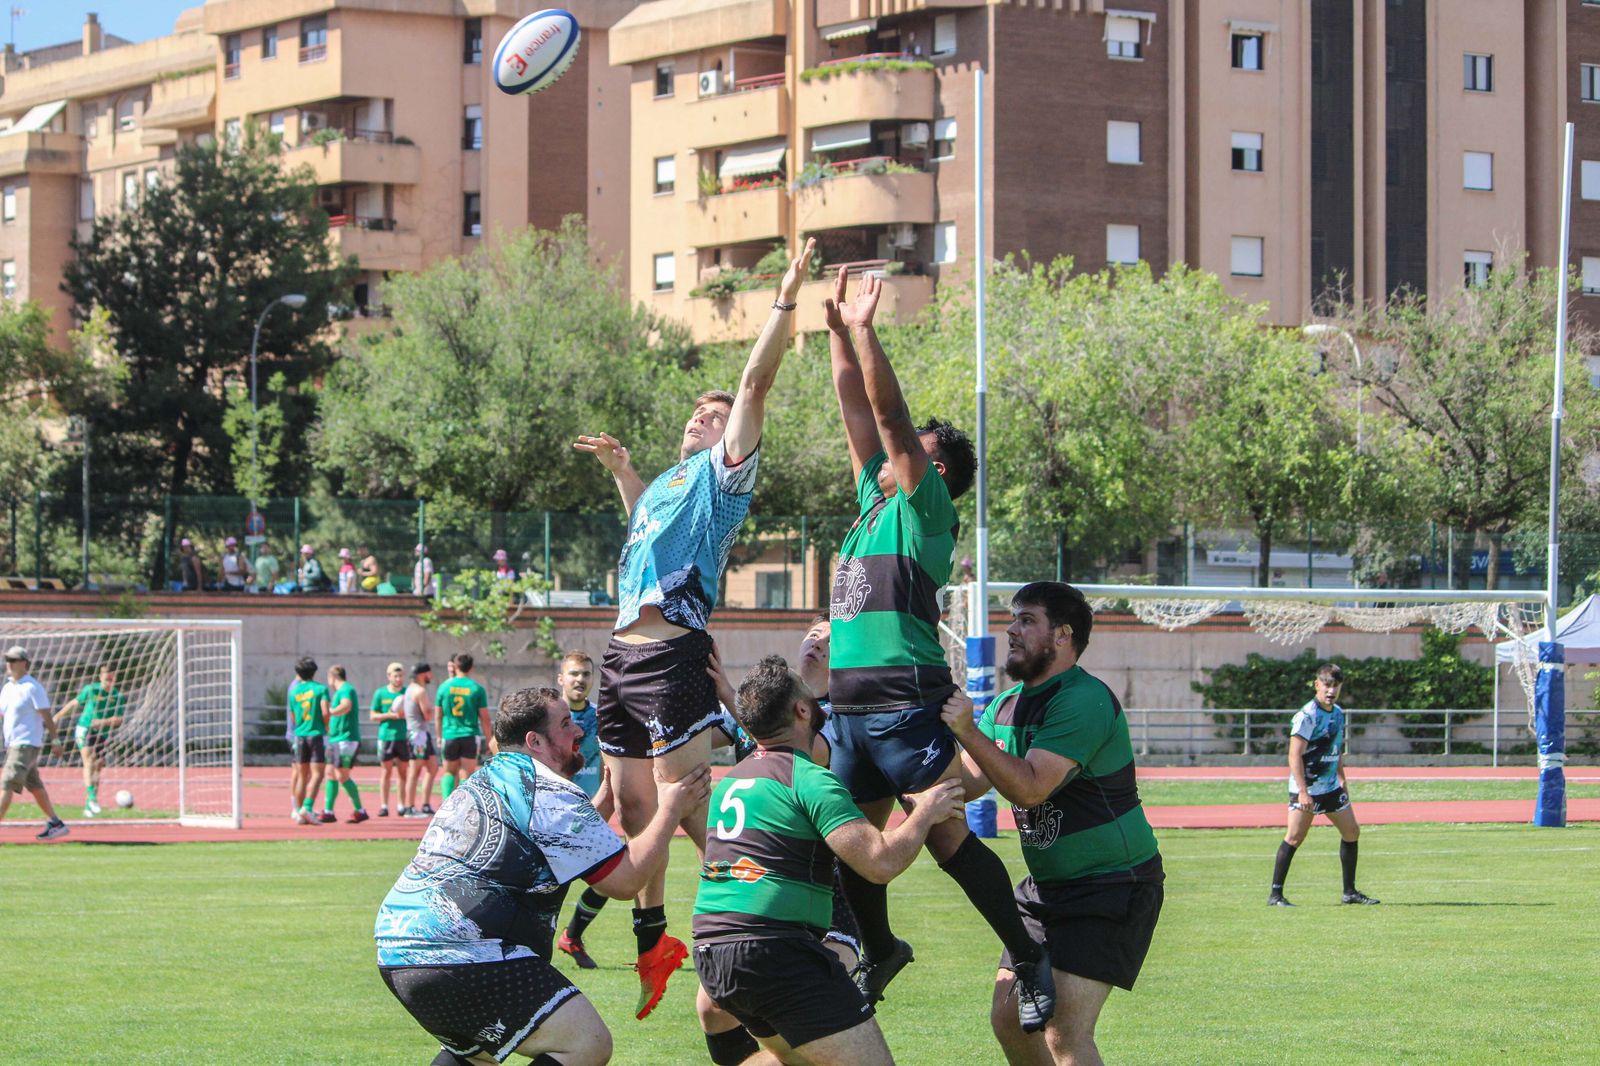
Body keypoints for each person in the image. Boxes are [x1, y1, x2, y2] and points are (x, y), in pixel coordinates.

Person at [571, 236, 816, 1019]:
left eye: (712, 416)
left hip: (672, 654)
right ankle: (655, 944)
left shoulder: (723, 477)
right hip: (619, 655)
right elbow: (646, 530)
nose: (700, 418)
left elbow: (754, 379)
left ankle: (773, 909)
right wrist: (622, 473)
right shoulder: (667, 485)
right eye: (697, 413)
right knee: (634, 804)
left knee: (689, 799)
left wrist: (783, 301)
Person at [822, 268, 1053, 1023]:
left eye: (911, 454)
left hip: (898, 701)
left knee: (948, 837)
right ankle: (881, 948)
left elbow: (888, 420)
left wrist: (865, 330)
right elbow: (858, 412)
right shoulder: (875, 500)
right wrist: (831, 331)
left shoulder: (924, 514)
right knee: (856, 843)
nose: (889, 458)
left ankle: (1028, 956)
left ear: (935, 470)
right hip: (849, 710)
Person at [374, 686, 712, 1066]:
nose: (579, 732)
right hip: (464, 950)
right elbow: (624, 881)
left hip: (398, 947)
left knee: (476, 1056)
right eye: (566, 724)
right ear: (535, 740)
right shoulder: (548, 791)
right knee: (586, 1042)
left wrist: (605, 795)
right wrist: (671, 808)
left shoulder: (489, 778)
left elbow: (563, 842)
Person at [692, 656, 966, 1066]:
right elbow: (879, 863)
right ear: (803, 710)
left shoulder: (734, 780)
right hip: (775, 951)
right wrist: (926, 812)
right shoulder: (809, 779)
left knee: (796, 1060)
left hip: (712, 952)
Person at [940, 582, 1165, 1066]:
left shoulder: (1083, 700)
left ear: (1062, 635)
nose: (1012, 629)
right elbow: (966, 783)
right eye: (1013, 618)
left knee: (1064, 1031)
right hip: (1047, 889)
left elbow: (1029, 787)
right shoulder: (1006, 706)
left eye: (1026, 619)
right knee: (1008, 1019)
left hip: (1112, 884)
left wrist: (967, 731)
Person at [1269, 662, 1379, 908]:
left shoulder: (1338, 713)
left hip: (1330, 787)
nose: (1331, 690)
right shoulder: (1307, 716)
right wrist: (1303, 792)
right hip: (1307, 790)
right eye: (1327, 685)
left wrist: (1342, 779)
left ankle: (1349, 892)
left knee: (1352, 832)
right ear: (1317, 685)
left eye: (1336, 686)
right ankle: (1275, 895)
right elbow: (1293, 755)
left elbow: (1335, 749)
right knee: (1295, 837)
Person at [556, 650, 614, 970]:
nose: (580, 680)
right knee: (548, 885)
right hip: (553, 815)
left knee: (612, 876)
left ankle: (572, 936)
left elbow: (609, 762)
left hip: (590, 814)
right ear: (561, 679)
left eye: (586, 674)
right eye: (574, 674)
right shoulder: (549, 716)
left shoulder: (601, 716)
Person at [0, 646, 69, 839]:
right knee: (34, 785)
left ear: (25, 663)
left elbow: (46, 716)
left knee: (7, 782)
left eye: (14, 660)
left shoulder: (32, 687)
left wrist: (55, 740)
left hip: (26, 743)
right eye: (8, 660)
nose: (10, 664)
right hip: (13, 744)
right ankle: (56, 823)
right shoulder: (7, 688)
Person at [54, 665, 126, 817]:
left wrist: (103, 722)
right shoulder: (91, 690)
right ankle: (92, 797)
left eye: (111, 677)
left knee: (98, 765)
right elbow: (74, 703)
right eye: (106, 676)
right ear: (100, 677)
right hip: (85, 728)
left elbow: (119, 720)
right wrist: (57, 717)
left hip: (102, 733)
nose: (108, 679)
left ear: (115, 678)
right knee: (89, 761)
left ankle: (90, 803)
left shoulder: (118, 697)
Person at [436, 652, 493, 800]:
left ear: (455, 666)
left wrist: (438, 735)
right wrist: (489, 740)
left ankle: (446, 805)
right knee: (466, 773)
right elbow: (485, 719)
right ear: (471, 667)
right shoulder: (476, 689)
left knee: (449, 772)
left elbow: (438, 715)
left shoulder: (444, 687)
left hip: (449, 735)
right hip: (469, 735)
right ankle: (462, 805)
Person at [287, 656, 330, 825]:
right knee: (318, 774)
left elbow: (293, 715)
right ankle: (307, 807)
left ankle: (298, 811)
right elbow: (325, 711)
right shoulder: (320, 689)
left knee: (301, 775)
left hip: (299, 735)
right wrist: (326, 727)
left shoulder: (294, 691)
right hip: (316, 734)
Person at [323, 664, 368, 823]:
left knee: (342, 775)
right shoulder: (339, 692)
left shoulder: (346, 690)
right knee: (330, 773)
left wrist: (331, 711)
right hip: (336, 739)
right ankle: (328, 811)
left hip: (346, 739)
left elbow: (346, 705)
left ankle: (360, 810)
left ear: (332, 677)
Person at [402, 661, 439, 817]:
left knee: (432, 767)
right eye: (429, 673)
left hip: (419, 733)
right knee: (414, 771)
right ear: (423, 674)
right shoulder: (419, 691)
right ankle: (409, 807)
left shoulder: (409, 689)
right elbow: (428, 714)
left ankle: (425, 804)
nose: (430, 676)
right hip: (418, 734)